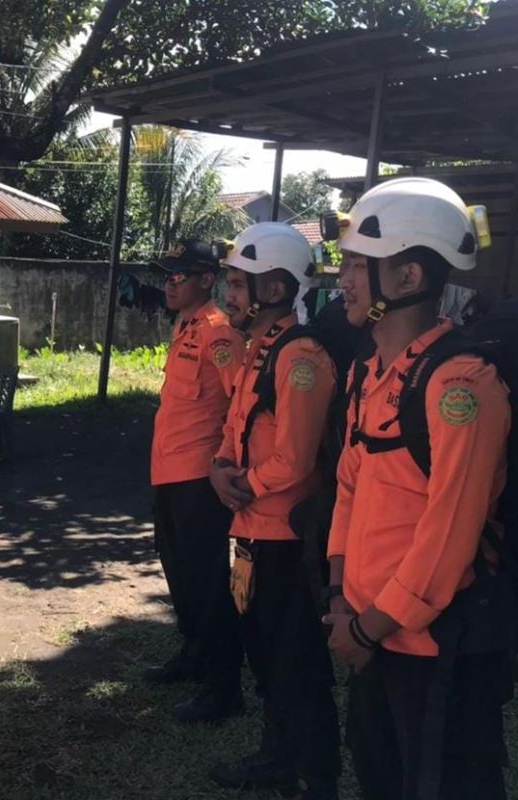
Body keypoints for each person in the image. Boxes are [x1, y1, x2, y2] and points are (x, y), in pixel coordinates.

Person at [321, 178, 513, 800]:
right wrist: (340, 596)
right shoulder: (368, 371)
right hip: (370, 631)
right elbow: (348, 489)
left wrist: (368, 628)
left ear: (407, 279)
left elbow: (449, 536)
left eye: (357, 265)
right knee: (380, 775)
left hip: (436, 648)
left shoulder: (461, 385)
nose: (342, 279)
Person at [207, 224, 342, 799]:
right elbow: (234, 431)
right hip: (247, 532)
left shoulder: (300, 357)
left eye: (239, 284)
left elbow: (295, 459)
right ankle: (277, 754)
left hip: (283, 537)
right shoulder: (256, 351)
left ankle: (317, 775)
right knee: (262, 650)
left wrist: (243, 486)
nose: (229, 296)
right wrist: (219, 471)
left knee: (296, 661)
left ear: (277, 289)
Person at [144, 238, 246, 723]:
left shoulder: (219, 334)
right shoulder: (184, 327)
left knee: (208, 585)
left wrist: (223, 464)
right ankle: (193, 656)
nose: (170, 281)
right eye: (168, 273)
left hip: (198, 483)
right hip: (167, 475)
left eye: (179, 274)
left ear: (207, 279)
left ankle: (223, 687)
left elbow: (240, 407)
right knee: (180, 577)